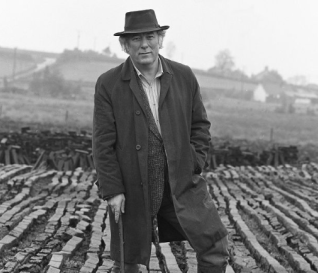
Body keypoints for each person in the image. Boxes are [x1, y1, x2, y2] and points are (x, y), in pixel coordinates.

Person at [93, 9, 229, 273]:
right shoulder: (109, 84)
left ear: (160, 39)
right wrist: (113, 189)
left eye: (150, 36)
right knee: (129, 259)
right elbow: (102, 142)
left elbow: (200, 126)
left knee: (214, 244)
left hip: (179, 183)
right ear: (125, 45)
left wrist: (193, 162)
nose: (144, 44)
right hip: (133, 187)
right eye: (136, 39)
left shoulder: (183, 76)